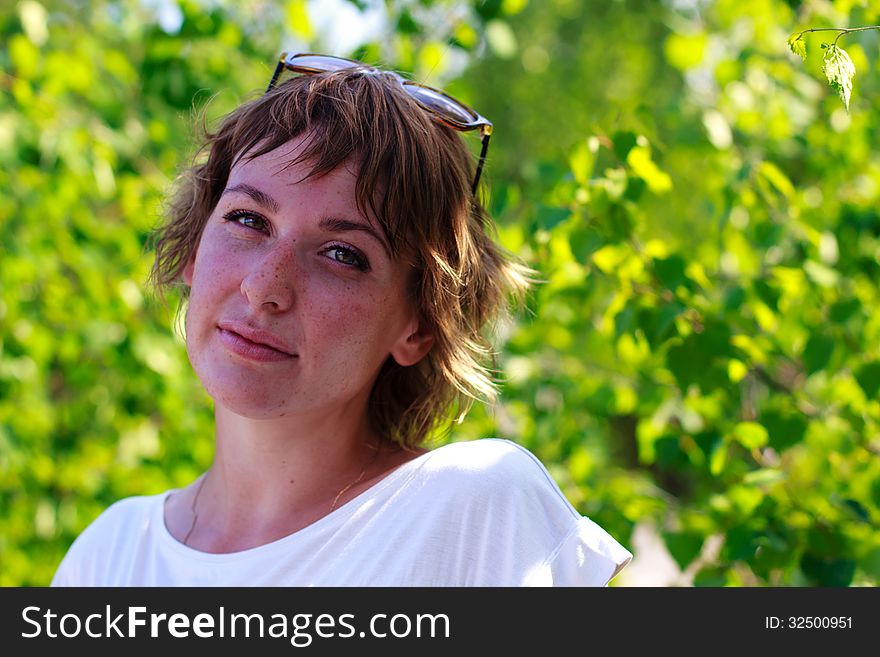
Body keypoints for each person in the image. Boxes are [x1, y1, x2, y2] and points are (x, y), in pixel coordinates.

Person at [52, 53, 632, 586]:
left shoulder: (473, 508)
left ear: (419, 326)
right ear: (193, 250)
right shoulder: (109, 556)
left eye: (342, 255)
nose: (265, 288)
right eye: (249, 220)